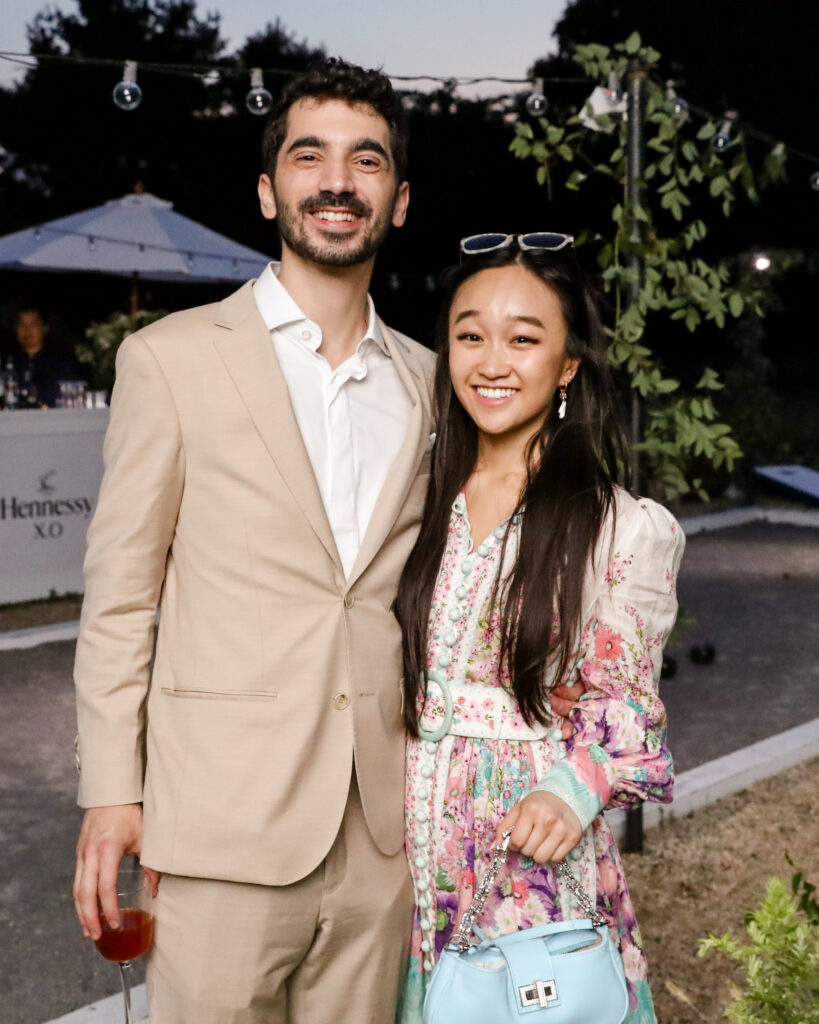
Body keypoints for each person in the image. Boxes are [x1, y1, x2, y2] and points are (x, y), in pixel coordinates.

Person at [72, 59, 435, 1024]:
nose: (337, 181)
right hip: (220, 828)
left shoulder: (431, 383)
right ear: (269, 190)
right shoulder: (170, 360)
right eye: (309, 156)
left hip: (381, 838)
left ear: (398, 201)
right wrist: (111, 794)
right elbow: (121, 599)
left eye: (367, 161)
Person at [394, 234, 685, 1023]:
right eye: (469, 335)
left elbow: (627, 712)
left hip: (522, 857)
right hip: (396, 847)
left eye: (522, 339)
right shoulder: (411, 495)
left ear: (566, 365)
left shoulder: (615, 527)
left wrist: (570, 790)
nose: (491, 361)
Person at [7, 307, 77, 407]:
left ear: (44, 328)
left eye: (33, 325)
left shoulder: (59, 363)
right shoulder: (8, 363)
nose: (27, 330)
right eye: (22, 325)